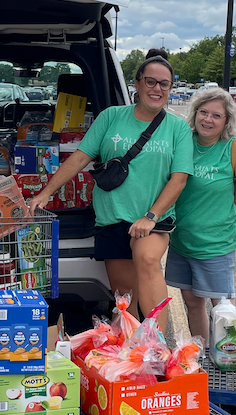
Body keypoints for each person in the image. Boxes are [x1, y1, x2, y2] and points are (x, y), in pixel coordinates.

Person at [25, 49, 192, 317]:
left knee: (148, 260)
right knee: (125, 298)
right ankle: (134, 348)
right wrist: (46, 193)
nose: (156, 88)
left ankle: (156, 349)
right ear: (137, 84)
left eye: (164, 83)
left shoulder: (178, 128)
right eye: (150, 81)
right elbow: (80, 158)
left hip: (152, 219)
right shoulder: (111, 117)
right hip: (112, 218)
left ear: (171, 87)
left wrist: (151, 215)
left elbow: (179, 178)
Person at [165, 86, 236, 341]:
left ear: (226, 120)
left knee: (223, 309)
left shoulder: (235, 149)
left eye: (216, 115)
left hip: (216, 244)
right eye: (203, 112)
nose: (208, 119)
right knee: (192, 303)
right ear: (194, 114)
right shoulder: (183, 145)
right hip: (182, 241)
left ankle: (228, 359)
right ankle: (203, 354)